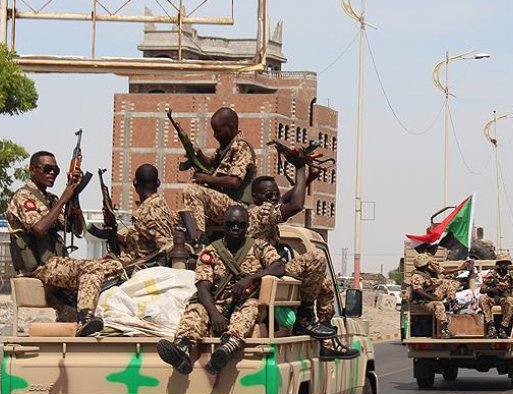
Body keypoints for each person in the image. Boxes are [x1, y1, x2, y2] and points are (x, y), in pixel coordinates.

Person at [247, 152, 358, 360]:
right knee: (316, 258)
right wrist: (299, 167)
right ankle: (305, 318)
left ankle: (327, 341)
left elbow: (286, 198)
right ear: (255, 198)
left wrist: (307, 177)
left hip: (272, 272)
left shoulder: (265, 209)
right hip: (263, 274)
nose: (274, 199)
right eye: (269, 195)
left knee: (325, 284)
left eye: (275, 195)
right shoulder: (259, 213)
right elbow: (296, 204)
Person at [6, 151, 125, 336]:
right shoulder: (24, 197)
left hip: (57, 266)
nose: (52, 173)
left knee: (113, 267)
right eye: (47, 169)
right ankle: (86, 318)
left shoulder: (51, 200)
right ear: (33, 170)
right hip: (40, 267)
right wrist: (64, 197)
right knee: (93, 268)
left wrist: (74, 197)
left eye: (56, 170)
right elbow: (39, 229)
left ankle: (82, 317)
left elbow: (76, 229)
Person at [157, 206, 285, 375]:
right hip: (217, 304)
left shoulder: (259, 248)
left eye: (240, 225)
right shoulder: (210, 252)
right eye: (231, 224)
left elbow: (279, 267)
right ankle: (182, 349)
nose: (235, 228)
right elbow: (203, 287)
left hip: (246, 303)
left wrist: (251, 279)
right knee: (196, 308)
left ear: (247, 226)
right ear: (224, 225)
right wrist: (215, 315)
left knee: (252, 306)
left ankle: (228, 347)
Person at [181, 107, 256, 239]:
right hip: (223, 203)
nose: (215, 135)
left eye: (218, 131)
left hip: (238, 207)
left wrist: (207, 179)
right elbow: (210, 164)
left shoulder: (241, 146)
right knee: (181, 216)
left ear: (231, 127)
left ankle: (198, 239)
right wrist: (196, 153)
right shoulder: (225, 148)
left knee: (191, 191)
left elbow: (234, 181)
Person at [115, 164, 175, 266]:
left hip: (138, 265)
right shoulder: (161, 204)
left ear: (135, 183)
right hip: (139, 262)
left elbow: (163, 247)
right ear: (158, 183)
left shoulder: (148, 211)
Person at [409, 253, 462, 339]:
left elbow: (443, 272)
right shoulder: (416, 276)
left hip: (432, 294)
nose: (429, 264)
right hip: (424, 301)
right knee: (439, 305)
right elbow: (419, 291)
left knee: (451, 283)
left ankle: (453, 302)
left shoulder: (427, 271)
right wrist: (434, 298)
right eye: (427, 263)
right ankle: (444, 330)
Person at [479, 252, 513, 339]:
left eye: (505, 263)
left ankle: (503, 327)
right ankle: (491, 326)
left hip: (505, 298)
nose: (503, 265)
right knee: (482, 298)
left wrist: (512, 286)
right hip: (493, 297)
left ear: (508, 264)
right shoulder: (491, 274)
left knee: (510, 301)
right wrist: (493, 289)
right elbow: (482, 290)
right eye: (501, 263)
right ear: (498, 264)